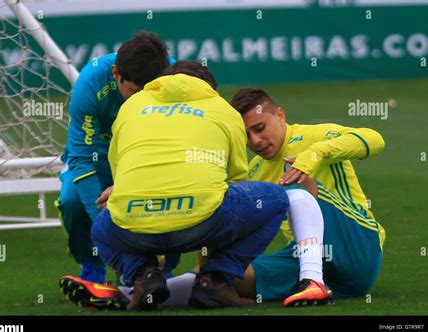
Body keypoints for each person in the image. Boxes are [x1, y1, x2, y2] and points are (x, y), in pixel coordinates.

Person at [90, 61, 296, 311]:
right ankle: (216, 281)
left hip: (135, 225)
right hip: (202, 222)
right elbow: (235, 178)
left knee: (101, 226)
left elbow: (118, 170)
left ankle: (144, 275)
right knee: (276, 199)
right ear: (209, 88)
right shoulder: (221, 108)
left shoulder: (131, 105)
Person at [230, 88, 386, 306]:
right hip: (307, 259)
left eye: (259, 128)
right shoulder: (253, 170)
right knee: (224, 277)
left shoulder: (315, 136)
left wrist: (316, 153)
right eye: (246, 135)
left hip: (356, 247)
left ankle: (312, 280)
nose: (255, 141)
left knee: (294, 180)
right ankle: (167, 290)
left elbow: (375, 140)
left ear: (280, 115)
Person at [56, 31, 172, 285]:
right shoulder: (90, 83)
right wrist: (110, 233)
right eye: (133, 92)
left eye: (147, 93)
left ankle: (165, 268)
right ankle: (92, 262)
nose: (140, 101)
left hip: (146, 157)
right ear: (116, 73)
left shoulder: (174, 77)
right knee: (72, 202)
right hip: (97, 157)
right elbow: (81, 159)